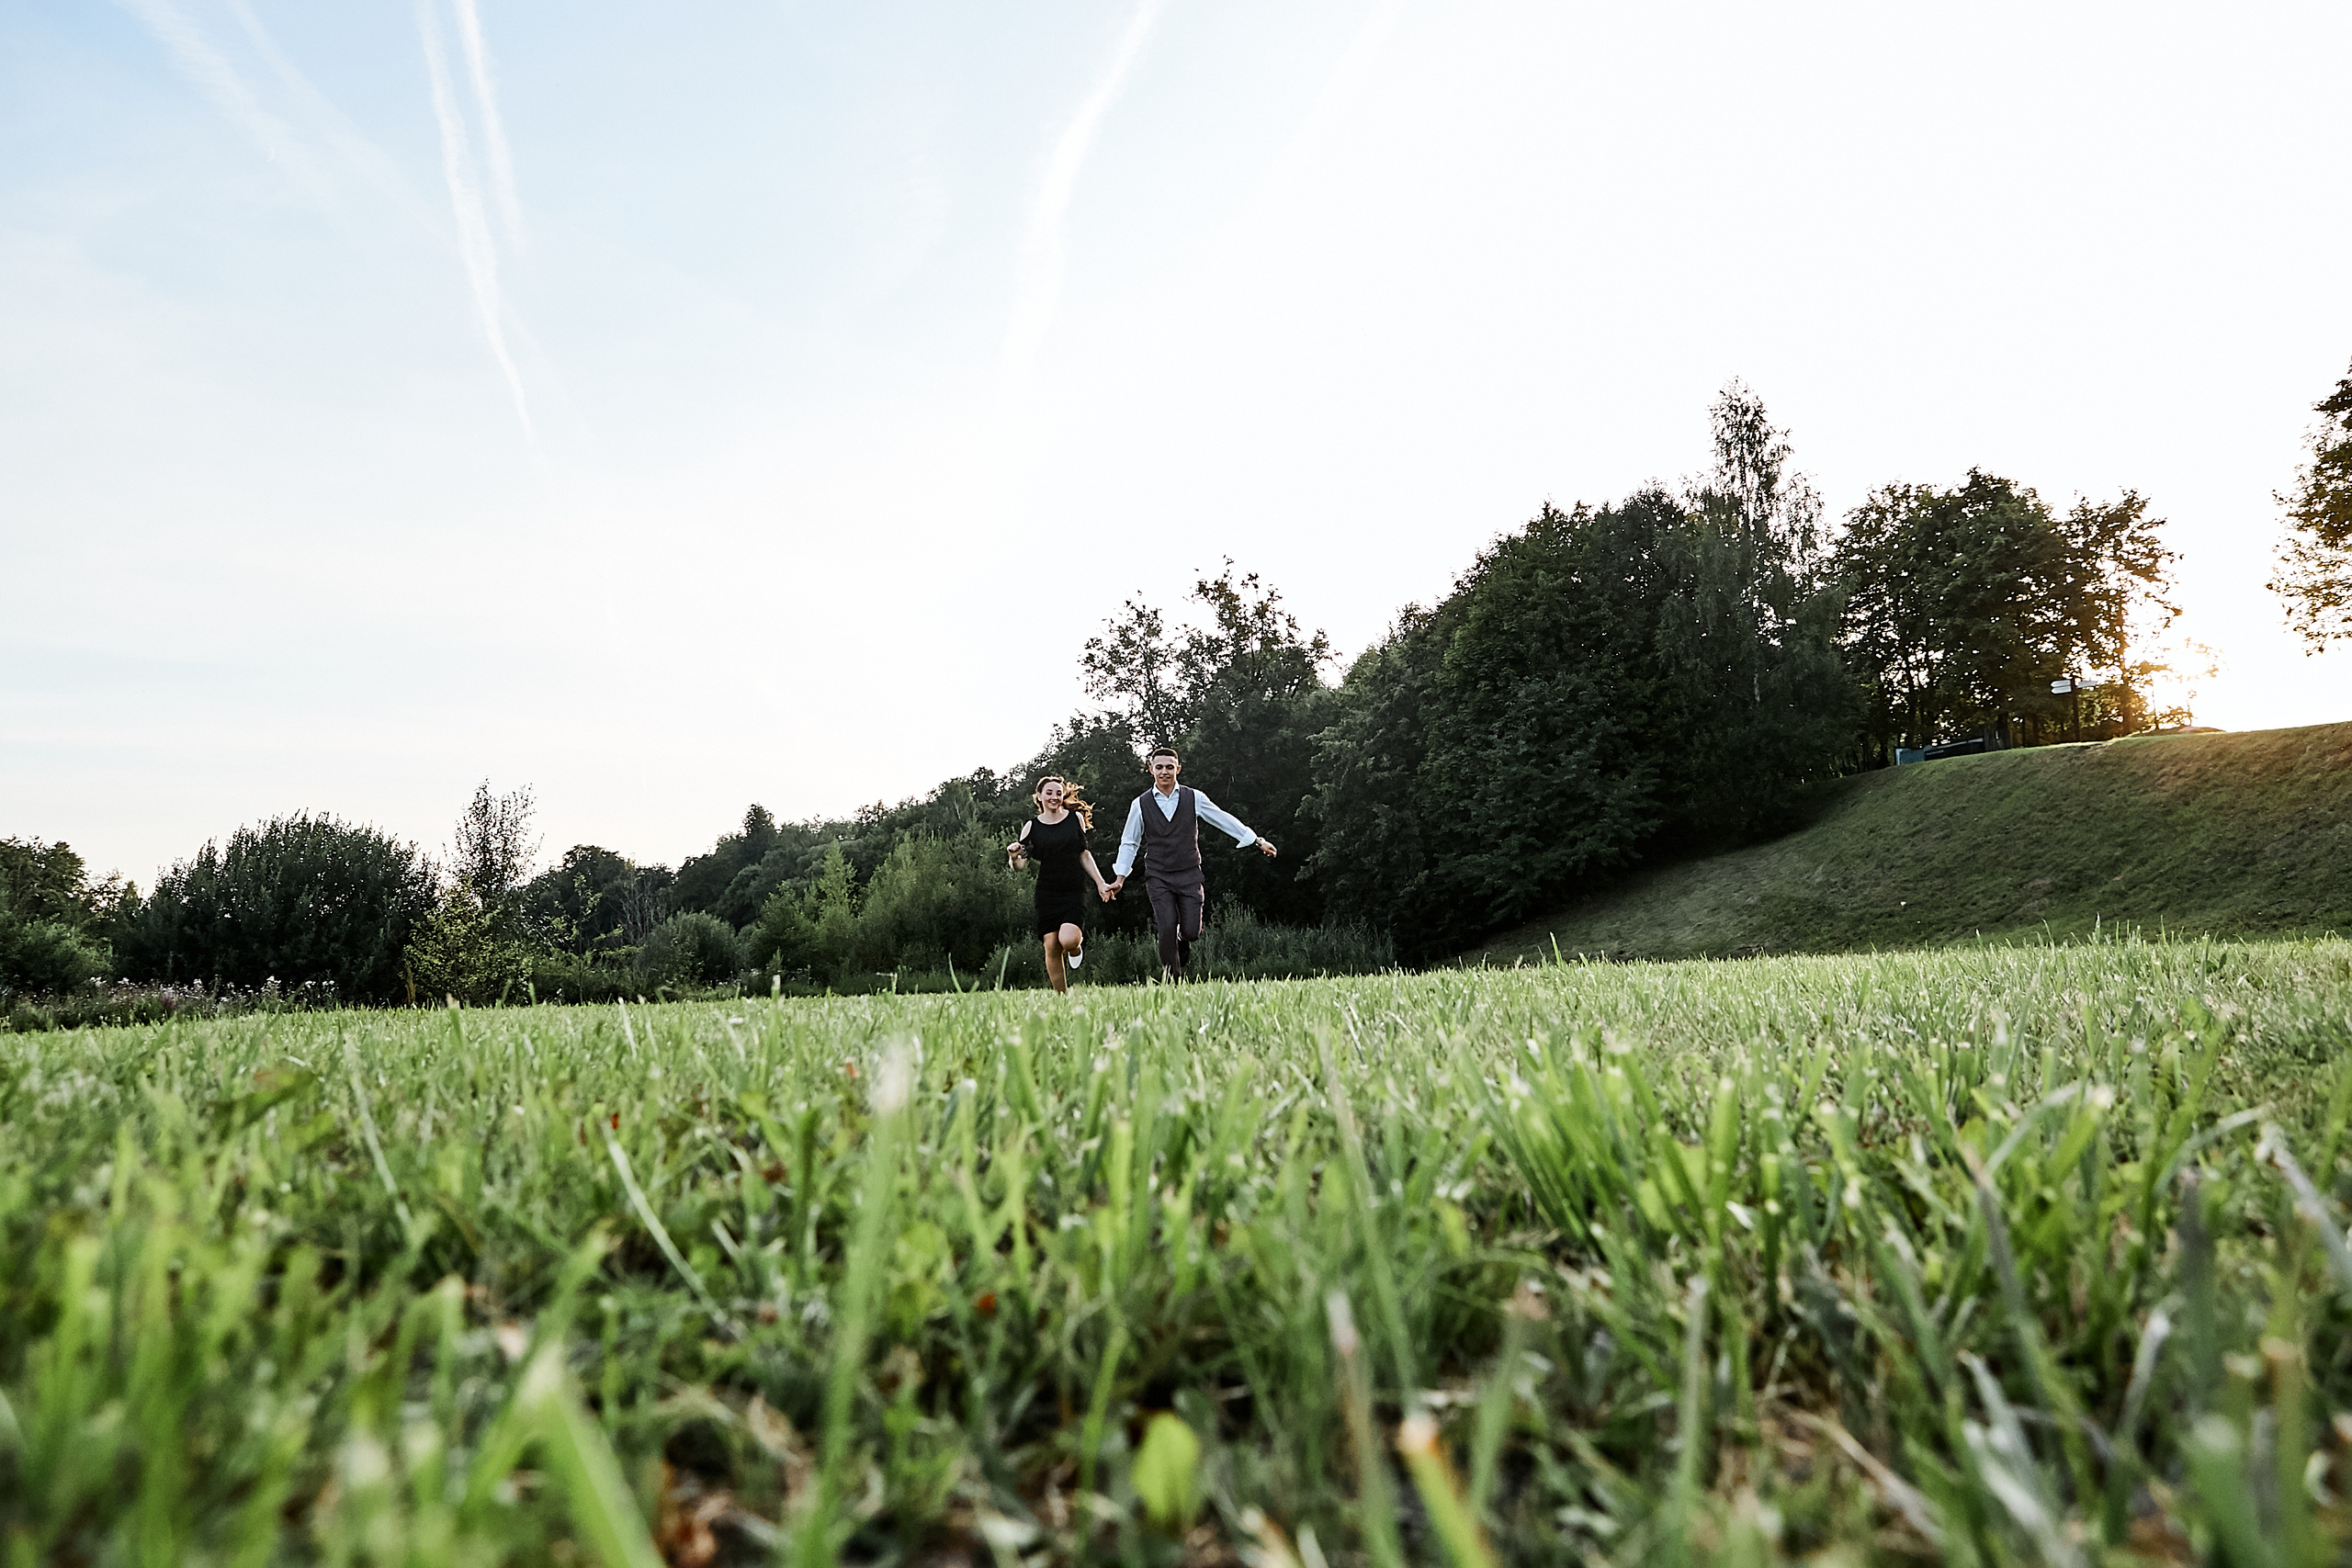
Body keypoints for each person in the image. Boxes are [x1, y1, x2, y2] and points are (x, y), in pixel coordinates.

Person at [1105, 747, 1275, 982]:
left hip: (1189, 874)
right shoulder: (1140, 804)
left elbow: (1223, 819)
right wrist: (1120, 878)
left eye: (1169, 767)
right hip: (1158, 876)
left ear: (1178, 769)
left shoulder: (1194, 797)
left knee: (1192, 932)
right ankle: (1172, 981)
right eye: (1159, 767)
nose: (1164, 771)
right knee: (1165, 927)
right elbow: (1129, 842)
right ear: (1151, 770)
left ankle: (1182, 941)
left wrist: (1257, 840)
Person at [1006, 775, 1114, 995]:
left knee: (1068, 939)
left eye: (1058, 793)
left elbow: (1084, 854)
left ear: (1063, 795)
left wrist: (1101, 883)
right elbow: (1019, 866)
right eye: (1049, 793)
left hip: (1073, 889)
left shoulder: (1075, 819)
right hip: (1047, 892)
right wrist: (1012, 856)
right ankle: (1061, 997)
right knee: (1051, 946)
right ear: (1039, 796)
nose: (1054, 797)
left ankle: (1076, 948)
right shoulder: (1031, 827)